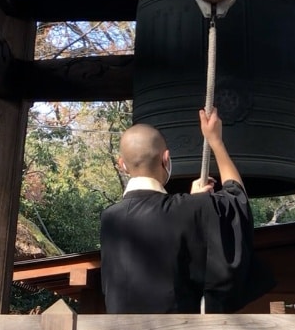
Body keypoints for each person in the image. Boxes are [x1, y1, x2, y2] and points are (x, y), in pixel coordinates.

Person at [99, 107, 271, 313]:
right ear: (166, 158)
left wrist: (193, 203)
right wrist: (216, 142)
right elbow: (236, 200)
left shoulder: (109, 219)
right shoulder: (186, 210)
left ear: (122, 165)